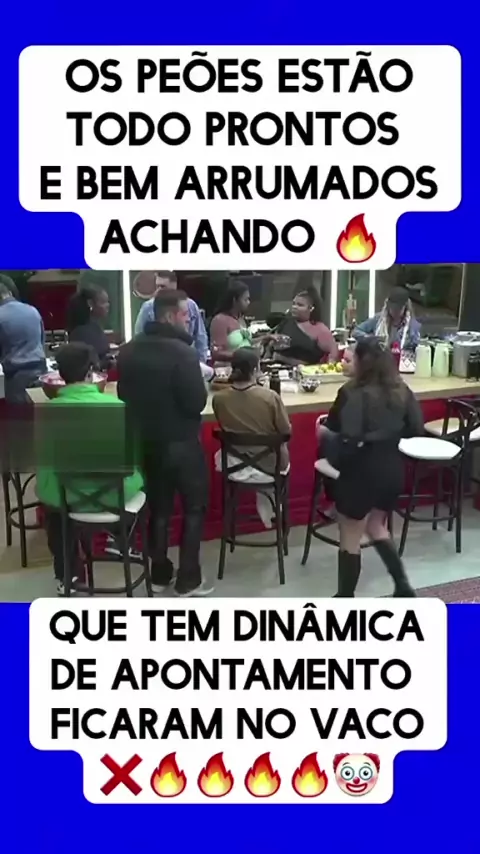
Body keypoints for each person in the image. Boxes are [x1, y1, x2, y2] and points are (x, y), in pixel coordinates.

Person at [117, 289, 212, 598]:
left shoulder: (128, 351)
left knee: (158, 510)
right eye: (186, 314)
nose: (189, 320)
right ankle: (189, 578)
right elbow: (196, 402)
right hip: (182, 442)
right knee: (194, 508)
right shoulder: (184, 354)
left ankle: (159, 573)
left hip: (146, 443)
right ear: (170, 316)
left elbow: (123, 395)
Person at [317, 337, 424, 598]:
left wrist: (323, 432)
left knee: (350, 536)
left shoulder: (350, 392)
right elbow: (415, 429)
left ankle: (345, 597)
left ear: (361, 362)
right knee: (377, 526)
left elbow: (337, 429)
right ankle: (402, 586)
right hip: (391, 469)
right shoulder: (402, 390)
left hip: (359, 471)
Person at [36, 342, 144, 596]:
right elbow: (133, 460)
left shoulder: (46, 413)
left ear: (60, 374)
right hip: (116, 496)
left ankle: (69, 574)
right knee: (141, 481)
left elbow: (44, 464)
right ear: (91, 372)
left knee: (53, 510)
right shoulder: (117, 407)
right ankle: (121, 541)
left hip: (67, 499)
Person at [213, 348, 291, 527]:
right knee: (280, 450)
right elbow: (286, 433)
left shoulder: (219, 399)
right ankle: (276, 514)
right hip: (270, 466)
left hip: (233, 465)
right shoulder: (269, 397)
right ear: (256, 370)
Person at [134, 271, 209, 364]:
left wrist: (200, 364)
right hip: (159, 360)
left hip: (186, 358)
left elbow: (200, 337)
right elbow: (139, 337)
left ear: (174, 286)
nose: (158, 290)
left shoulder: (191, 305)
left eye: (162, 286)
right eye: (157, 286)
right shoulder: (148, 307)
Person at [0, 280, 46, 403]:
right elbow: (42, 341)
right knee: (38, 411)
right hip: (40, 370)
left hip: (16, 375)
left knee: (19, 413)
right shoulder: (32, 310)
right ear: (10, 293)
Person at [272, 287, 338, 365]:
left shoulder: (320, 330)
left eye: (300, 305)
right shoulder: (286, 322)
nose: (294, 307)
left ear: (311, 308)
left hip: (306, 370)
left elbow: (333, 354)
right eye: (293, 304)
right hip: (276, 368)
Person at [353, 287, 421, 351]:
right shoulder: (378, 319)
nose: (395, 311)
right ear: (388, 306)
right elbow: (356, 331)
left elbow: (416, 345)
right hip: (380, 356)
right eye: (393, 308)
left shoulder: (412, 325)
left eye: (399, 309)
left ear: (405, 307)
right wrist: (371, 339)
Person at [66, 285, 112, 370]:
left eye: (107, 301)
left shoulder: (93, 327)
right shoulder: (83, 332)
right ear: (90, 303)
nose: (108, 305)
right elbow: (93, 364)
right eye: (103, 302)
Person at [209, 280, 254, 363]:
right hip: (226, 367)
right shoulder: (220, 320)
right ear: (235, 300)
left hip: (246, 366)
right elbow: (216, 353)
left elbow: (245, 342)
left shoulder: (240, 318)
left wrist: (265, 338)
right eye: (245, 299)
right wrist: (242, 356)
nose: (248, 302)